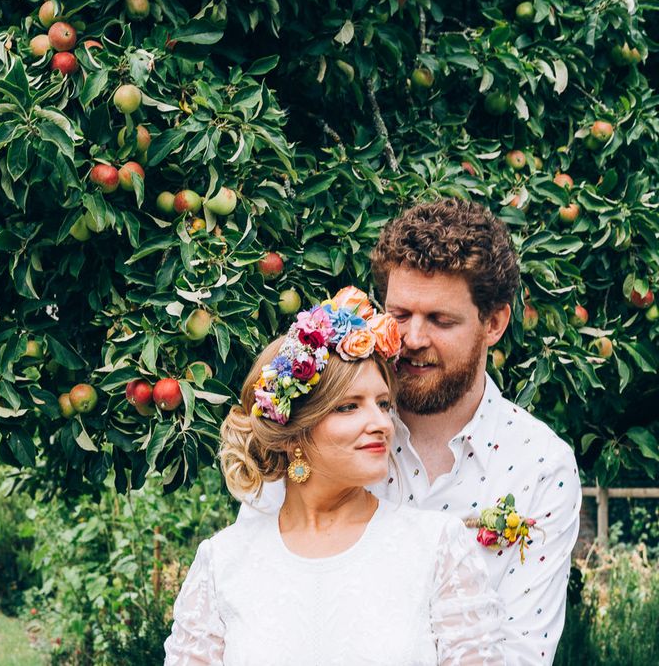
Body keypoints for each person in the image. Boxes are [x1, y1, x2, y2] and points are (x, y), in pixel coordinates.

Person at [239, 199, 582, 665]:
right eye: (400, 315)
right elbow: (251, 589)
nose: (414, 339)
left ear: (494, 323)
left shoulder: (541, 466)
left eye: (441, 320)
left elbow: (522, 652)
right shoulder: (323, 429)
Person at [164, 288, 505, 665]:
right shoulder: (223, 563)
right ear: (293, 430)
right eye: (348, 407)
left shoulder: (437, 548)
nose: (380, 424)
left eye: (382, 404)